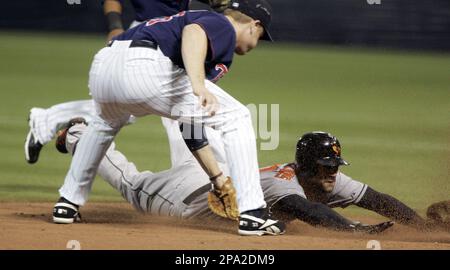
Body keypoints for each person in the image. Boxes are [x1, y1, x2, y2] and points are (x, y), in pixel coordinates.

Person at [52, 1, 286, 236]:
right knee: (238, 117)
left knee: (103, 125)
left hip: (105, 68)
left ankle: (67, 203)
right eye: (261, 36)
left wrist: (217, 179)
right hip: (145, 65)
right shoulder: (223, 24)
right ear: (254, 25)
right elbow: (193, 32)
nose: (256, 44)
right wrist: (197, 84)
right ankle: (253, 212)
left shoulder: (190, 33)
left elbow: (190, 123)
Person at [58, 119, 426, 234]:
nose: (332, 175)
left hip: (218, 176)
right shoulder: (287, 182)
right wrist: (353, 230)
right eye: (326, 167)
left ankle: (184, 118)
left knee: (210, 143)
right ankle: (76, 134)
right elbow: (307, 210)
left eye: (334, 168)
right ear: (308, 167)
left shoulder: (324, 178)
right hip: (186, 197)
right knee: (131, 182)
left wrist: (422, 226)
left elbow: (376, 200)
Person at [24, 0, 229, 165]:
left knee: (132, 106)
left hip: (174, 32)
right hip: (148, 34)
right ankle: (210, 170)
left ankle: (47, 119)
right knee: (176, 104)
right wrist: (115, 27)